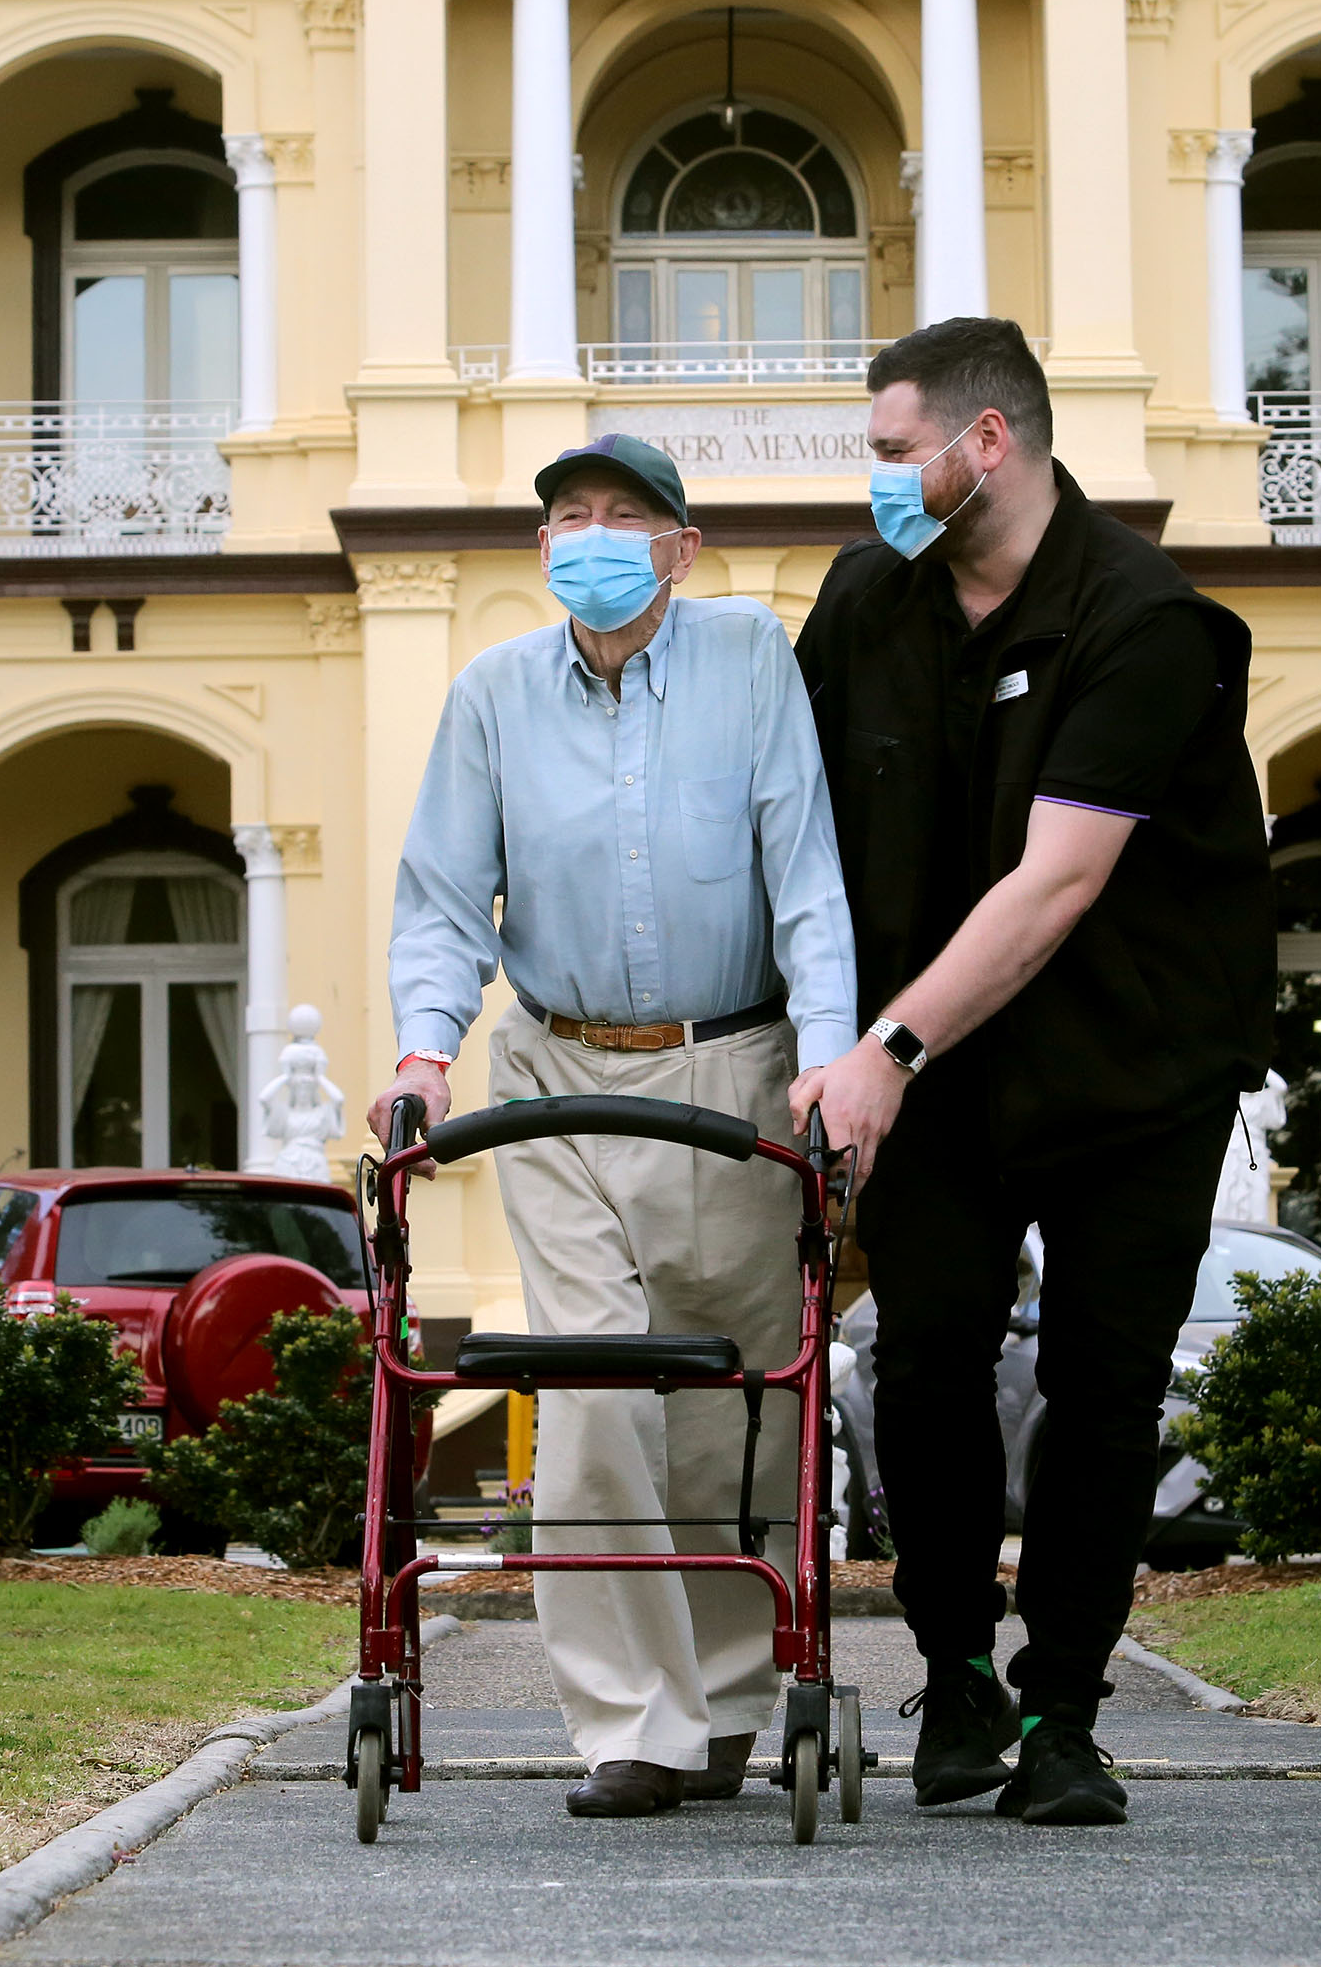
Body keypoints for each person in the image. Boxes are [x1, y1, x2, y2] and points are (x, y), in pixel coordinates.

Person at [791, 317, 1272, 1829]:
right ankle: (957, 1673)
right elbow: (790, 824)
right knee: (924, 1364)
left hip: (1135, 1064)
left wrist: (886, 1048)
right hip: (938, 1071)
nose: (874, 480)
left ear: (984, 441)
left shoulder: (1144, 617)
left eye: (890, 449)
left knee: (1100, 1380)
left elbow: (1055, 884)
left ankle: (1067, 1706)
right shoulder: (870, 600)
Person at [377, 432, 858, 1821]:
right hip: (559, 1073)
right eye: (567, 516)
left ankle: (719, 1707)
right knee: (593, 1397)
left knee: (729, 1416)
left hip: (737, 1067)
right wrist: (424, 1051)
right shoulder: (490, 695)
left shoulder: (751, 659)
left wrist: (827, 1062)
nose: (590, 534)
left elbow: (806, 873)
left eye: (623, 514)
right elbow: (444, 898)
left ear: (680, 547)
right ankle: (629, 1724)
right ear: (543, 551)